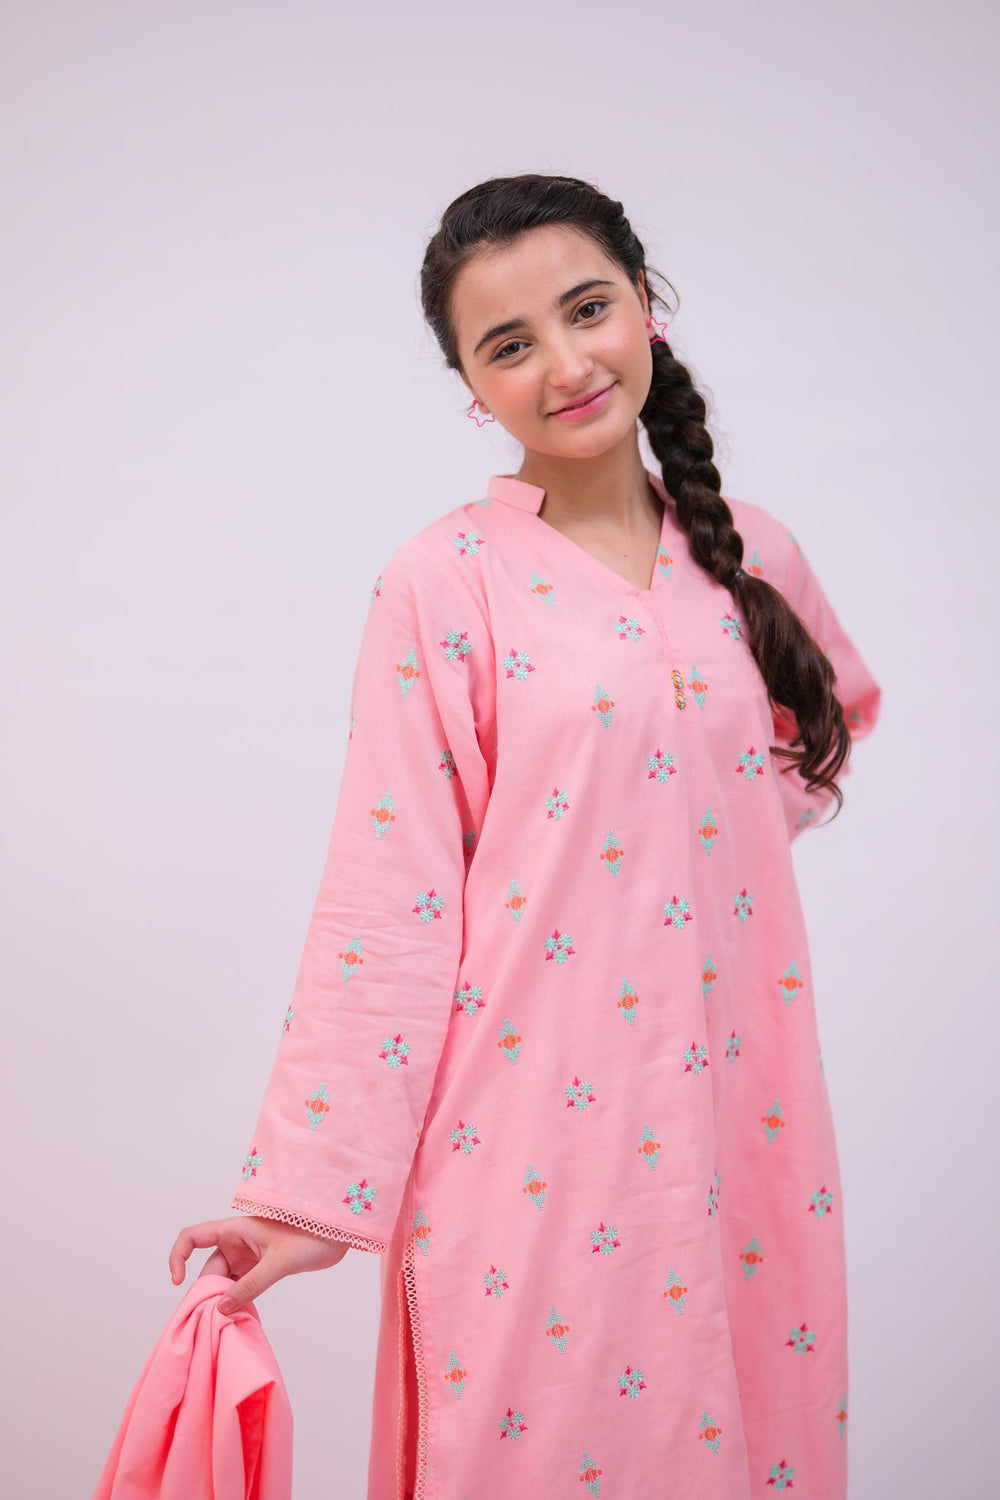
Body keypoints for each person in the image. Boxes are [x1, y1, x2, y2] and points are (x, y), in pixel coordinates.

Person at [169, 173, 881, 1500]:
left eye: (587, 309)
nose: (565, 364)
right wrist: (306, 1200)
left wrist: (693, 858)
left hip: (744, 1116)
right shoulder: (445, 583)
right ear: (471, 388)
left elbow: (823, 726)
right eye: (509, 344)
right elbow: (389, 895)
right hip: (530, 1144)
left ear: (646, 307)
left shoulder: (753, 556)